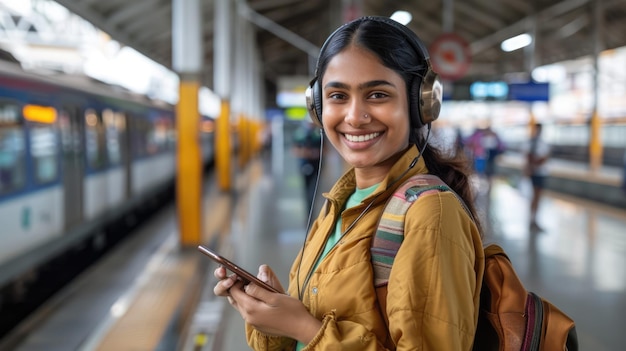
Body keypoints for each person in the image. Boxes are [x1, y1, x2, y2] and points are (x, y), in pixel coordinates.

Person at [213, 16, 485, 350]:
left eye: (377, 94)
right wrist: (272, 315)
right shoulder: (341, 202)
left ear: (420, 104)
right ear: (317, 106)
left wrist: (301, 325)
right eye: (338, 96)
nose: (355, 116)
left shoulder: (430, 214)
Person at [291, 121, 322, 216]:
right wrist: (306, 153)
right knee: (307, 187)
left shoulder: (318, 135)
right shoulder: (300, 134)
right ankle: (308, 208)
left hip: (317, 165)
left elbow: (325, 150)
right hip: (304, 164)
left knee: (315, 187)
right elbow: (294, 150)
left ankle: (312, 206)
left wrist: (316, 153)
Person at [524, 123, 550, 231]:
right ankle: (533, 220)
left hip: (540, 172)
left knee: (536, 197)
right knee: (536, 196)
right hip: (537, 173)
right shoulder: (534, 143)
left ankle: (533, 219)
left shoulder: (538, 143)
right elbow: (540, 158)